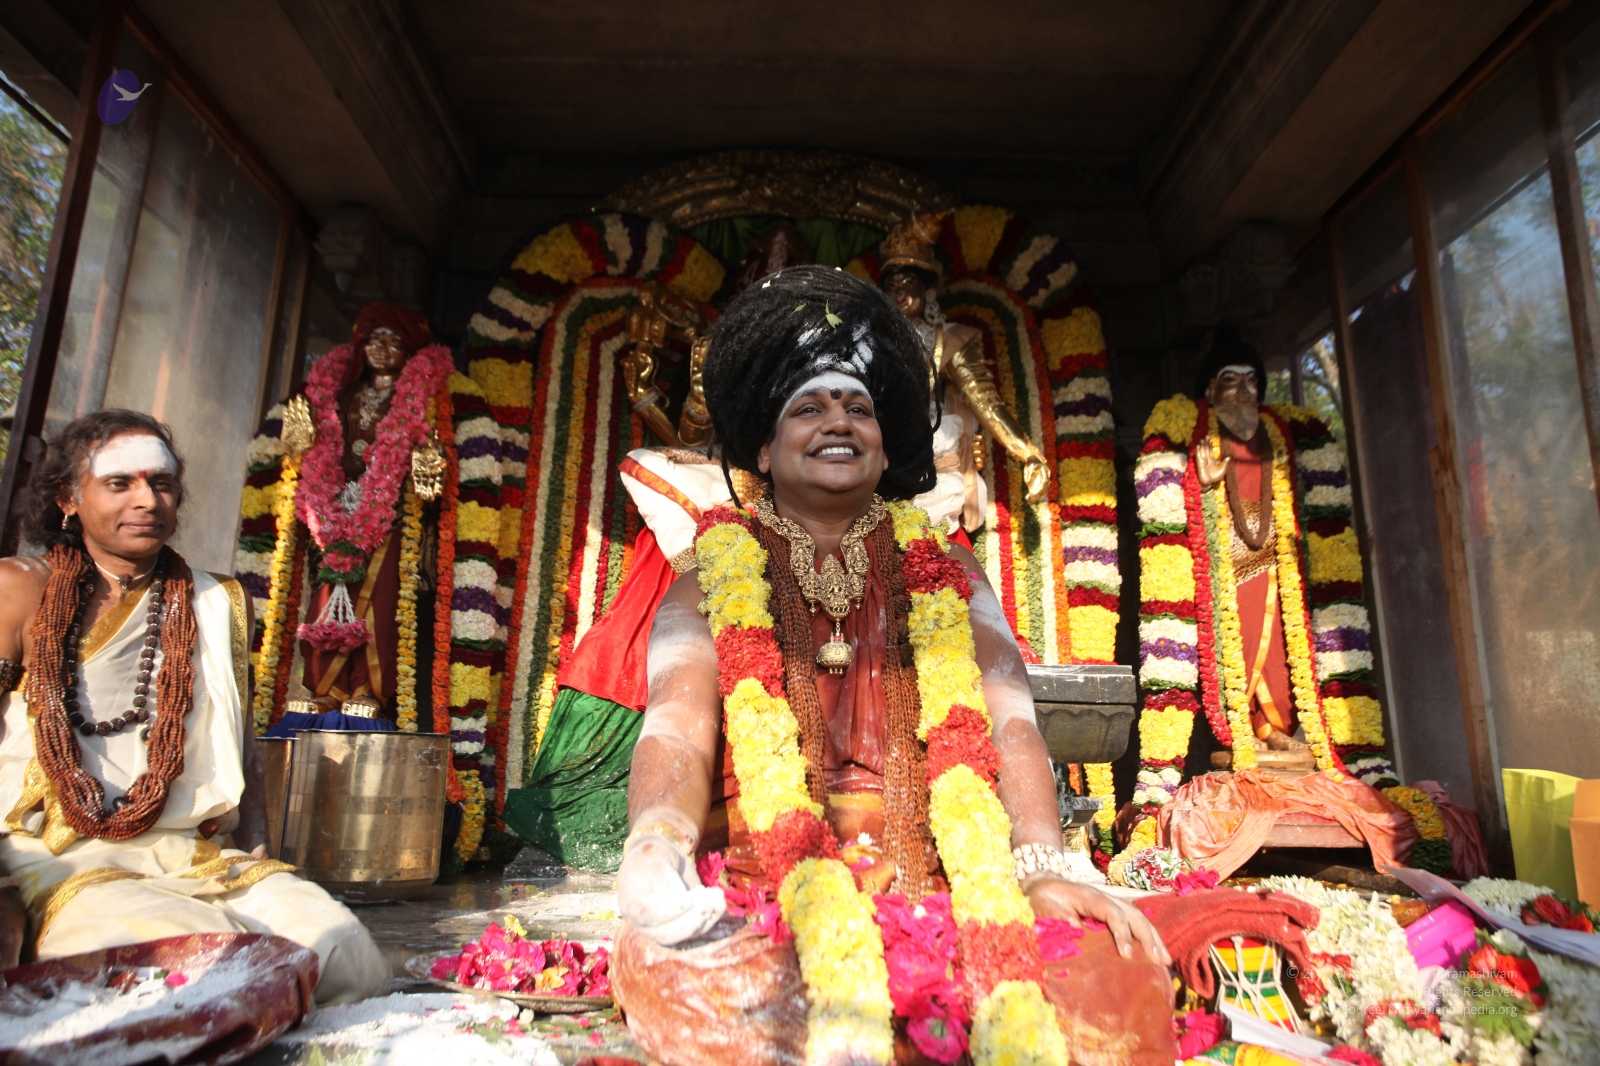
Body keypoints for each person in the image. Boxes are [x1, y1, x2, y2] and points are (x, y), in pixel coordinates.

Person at [610, 267, 1175, 1064]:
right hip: (762, 892)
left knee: (1110, 974)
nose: (837, 422)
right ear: (764, 450)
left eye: (858, 408)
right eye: (808, 408)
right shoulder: (710, 575)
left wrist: (1041, 866)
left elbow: (1010, 719)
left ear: (883, 448)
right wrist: (656, 844)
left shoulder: (947, 569)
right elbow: (676, 726)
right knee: (690, 976)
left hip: (941, 885)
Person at [0, 410, 387, 1002]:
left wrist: (257, 847)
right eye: (119, 483)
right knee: (212, 963)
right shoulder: (19, 587)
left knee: (347, 955)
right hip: (63, 856)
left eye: (161, 484)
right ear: (68, 499)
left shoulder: (215, 599)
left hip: (189, 850)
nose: (146, 500)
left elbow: (238, 738)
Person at [878, 212, 1050, 532]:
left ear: (927, 291)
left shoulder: (948, 340)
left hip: (930, 466)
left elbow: (986, 402)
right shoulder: (870, 340)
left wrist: (1027, 453)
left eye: (907, 285)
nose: (899, 295)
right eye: (891, 287)